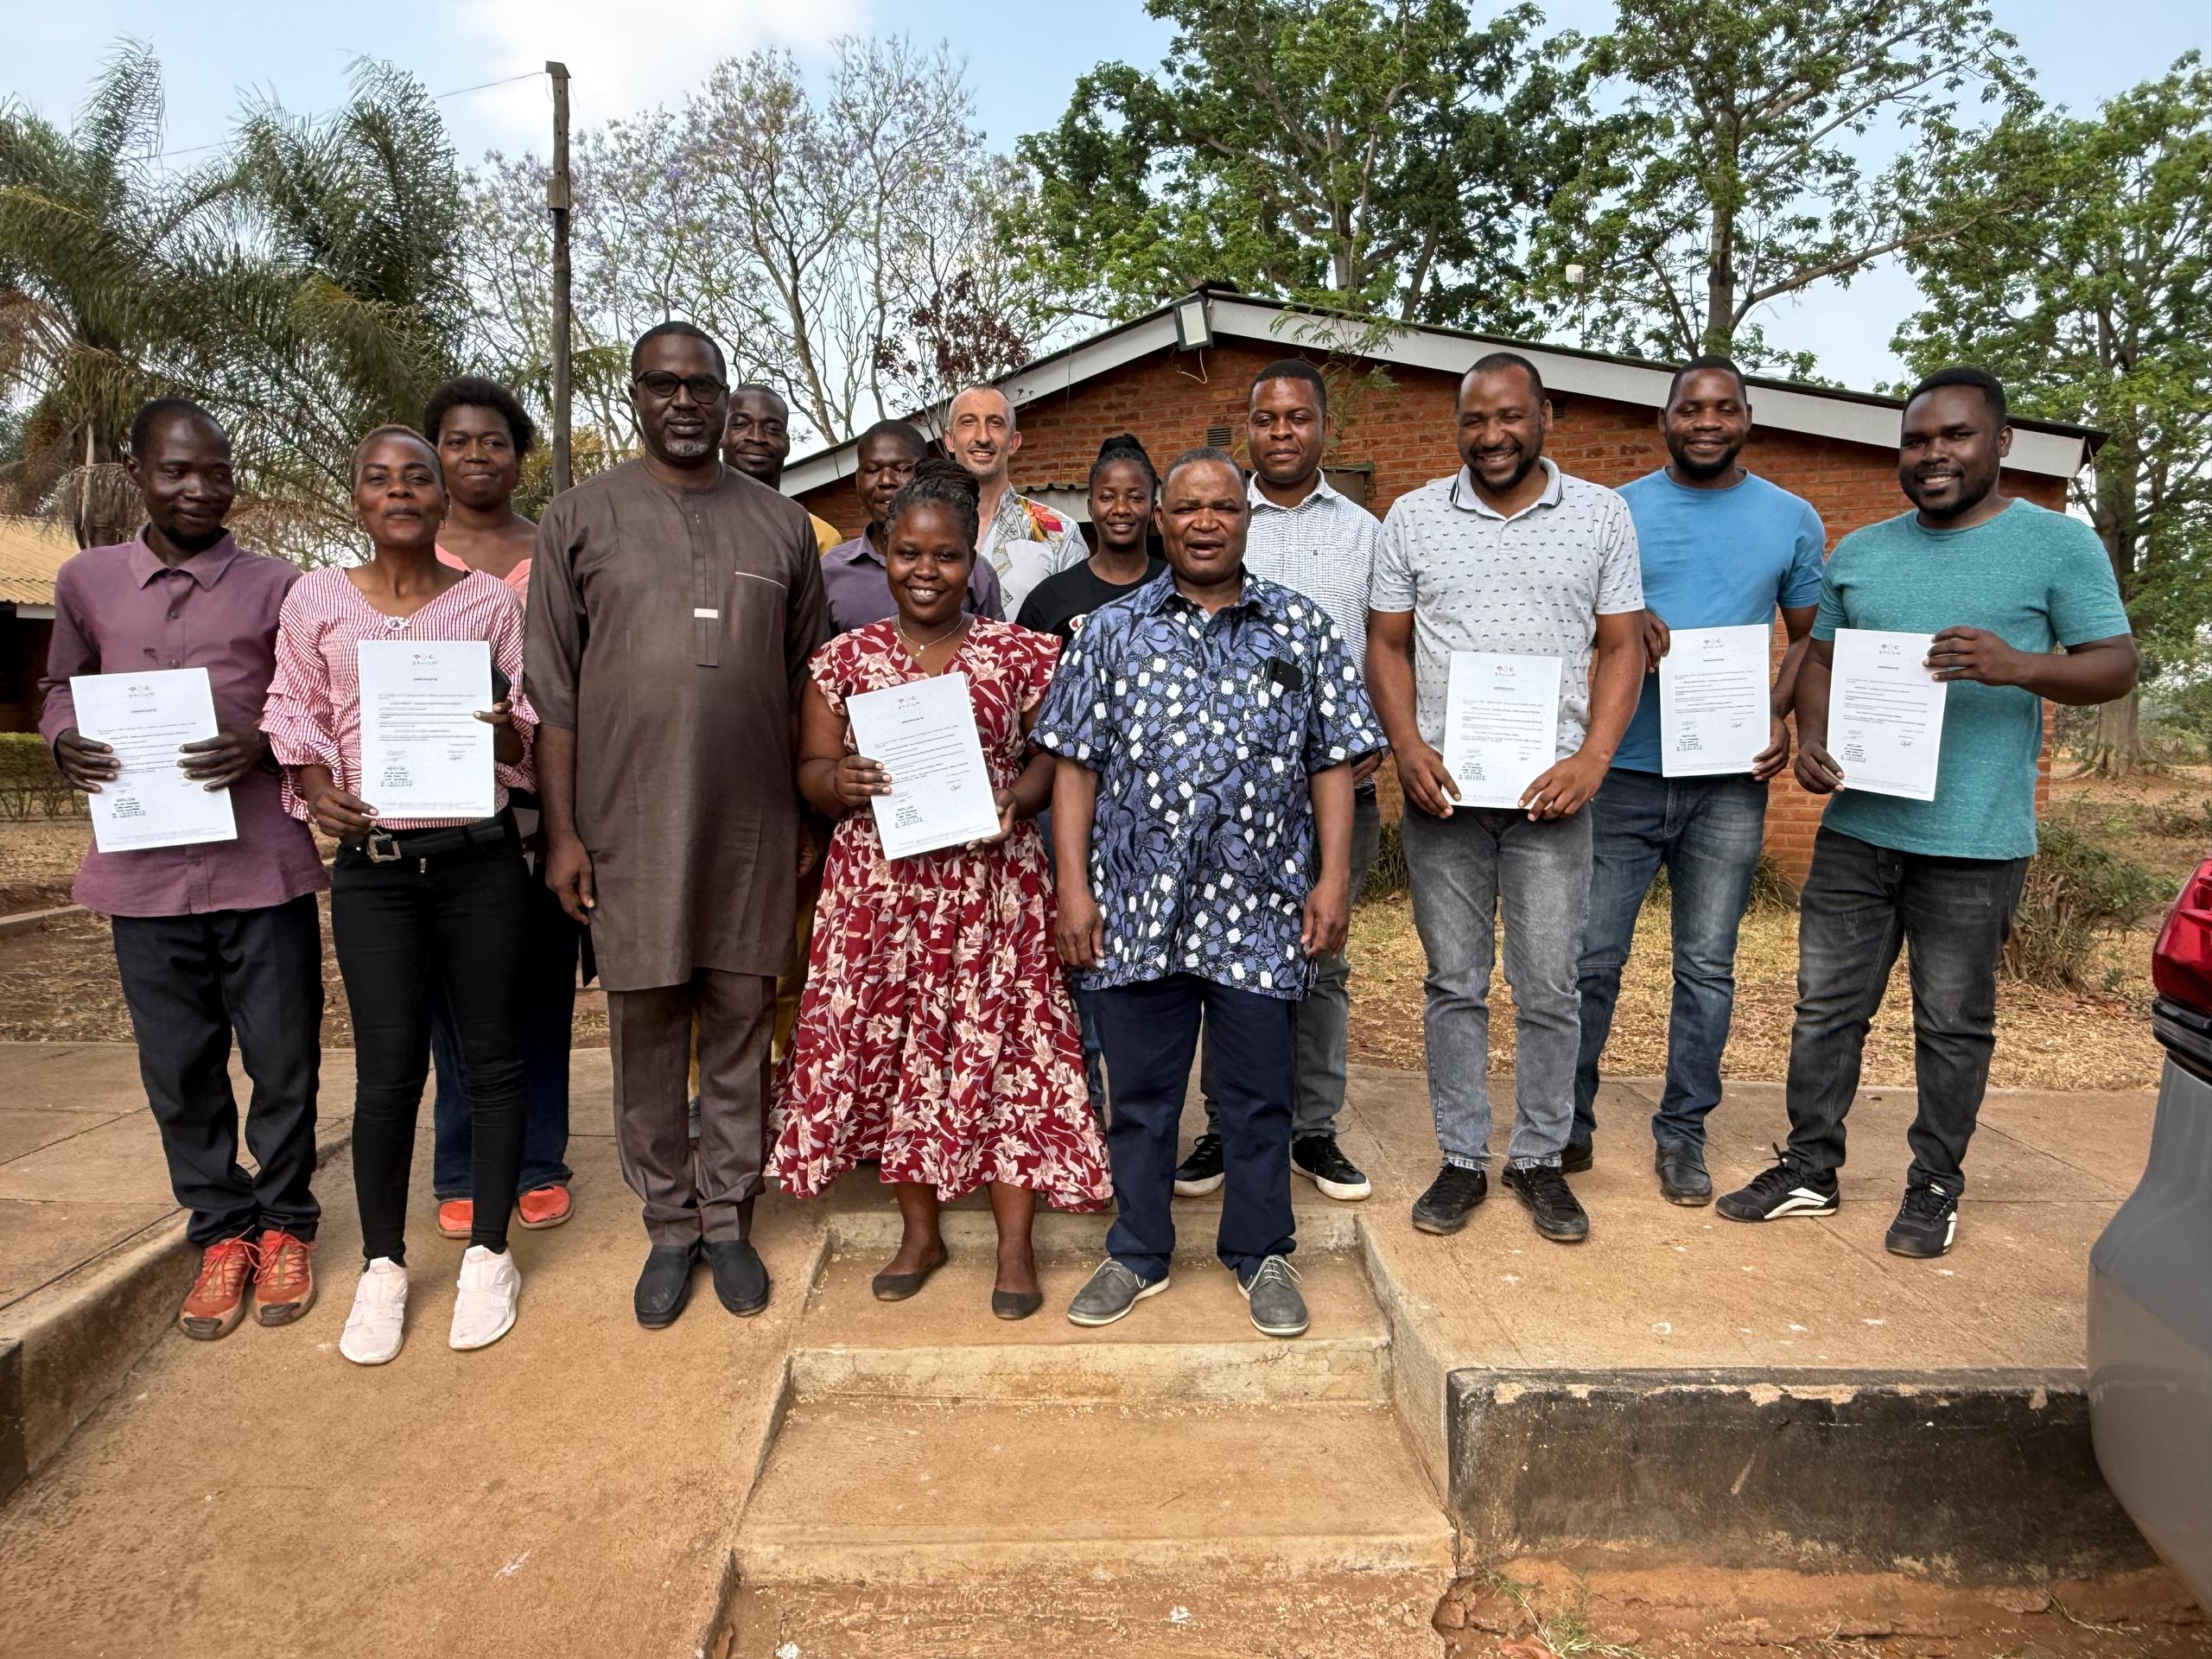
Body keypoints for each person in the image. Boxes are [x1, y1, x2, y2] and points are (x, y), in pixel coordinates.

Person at [1719, 366, 2136, 1257]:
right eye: (1917, 440)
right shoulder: (1862, 552)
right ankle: (1808, 1168)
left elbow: (2114, 664)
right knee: (1824, 1010)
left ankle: (1933, 1183)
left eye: (1955, 436)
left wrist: (2018, 665)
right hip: (1859, 829)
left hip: (1974, 839)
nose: (1933, 454)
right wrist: (1816, 739)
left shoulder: (2055, 547)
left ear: (2000, 444)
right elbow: (1821, 660)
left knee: (1951, 1023)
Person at [1038, 447, 1383, 1340]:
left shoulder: (1300, 629)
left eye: (1221, 508)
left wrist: (1332, 879)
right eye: (1186, 508)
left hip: (1261, 910)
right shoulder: (1108, 632)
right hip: (1136, 911)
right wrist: (1072, 888)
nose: (1203, 523)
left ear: (1245, 519)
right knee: (1144, 1099)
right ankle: (1137, 1252)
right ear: (1159, 517)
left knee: (1257, 1097)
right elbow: (1074, 767)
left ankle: (1261, 1252)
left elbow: (1333, 762)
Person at [530, 321, 830, 1328]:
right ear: (635, 396)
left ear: (724, 396)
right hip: (628, 824)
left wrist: (802, 818)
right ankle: (668, 1225)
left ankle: (730, 1218)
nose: (686, 403)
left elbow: (805, 683)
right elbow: (554, 694)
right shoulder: (578, 518)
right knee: (648, 1028)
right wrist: (565, 835)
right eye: (664, 386)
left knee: (742, 1022)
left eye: (702, 386)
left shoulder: (781, 528)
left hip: (752, 824)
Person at [772, 459, 1111, 1319]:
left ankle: (1014, 1250)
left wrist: (1018, 800)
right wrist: (835, 780)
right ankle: (918, 1235)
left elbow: (1058, 756)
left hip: (990, 894)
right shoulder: (841, 661)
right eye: (909, 553)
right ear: (884, 553)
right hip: (877, 900)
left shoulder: (1024, 654)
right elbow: (808, 768)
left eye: (947, 556)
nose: (926, 571)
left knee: (1009, 1066)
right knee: (893, 1064)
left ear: (973, 564)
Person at [41, 397, 327, 1343]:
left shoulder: (280, 585)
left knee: (283, 1060)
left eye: (216, 472)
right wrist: (63, 742)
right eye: (176, 472)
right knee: (179, 1066)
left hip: (262, 867)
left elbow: (309, 699)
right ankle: (219, 1230)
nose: (200, 489)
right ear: (137, 474)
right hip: (144, 874)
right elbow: (58, 687)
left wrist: (265, 741)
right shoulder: (87, 582)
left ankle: (285, 1224)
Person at [264, 425, 536, 1363]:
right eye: (379, 479)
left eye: (416, 476)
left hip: (478, 861)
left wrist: (502, 729)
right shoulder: (317, 599)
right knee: (386, 1074)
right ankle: (383, 1266)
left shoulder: (487, 606)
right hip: (376, 871)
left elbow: (524, 738)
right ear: (358, 500)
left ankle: (489, 1254)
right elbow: (291, 708)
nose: (400, 491)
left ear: (440, 496)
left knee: (495, 1065)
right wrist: (310, 785)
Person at [1367, 352, 1644, 1247]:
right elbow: (1387, 645)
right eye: (1474, 421)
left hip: (1551, 797)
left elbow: (1622, 646)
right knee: (1453, 982)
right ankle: (1459, 1157)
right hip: (1444, 797)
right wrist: (1406, 745)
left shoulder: (1601, 516)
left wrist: (1594, 757)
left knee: (1550, 986)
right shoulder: (1411, 518)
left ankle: (1535, 1159)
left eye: (1508, 417)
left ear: (1545, 418)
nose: (1490, 436)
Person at [1569, 356, 1827, 1206]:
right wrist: (1619, 621)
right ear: (1664, 422)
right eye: (1690, 409)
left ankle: (1682, 1135)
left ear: (1746, 417)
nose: (1705, 421)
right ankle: (1566, 1120)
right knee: (1593, 959)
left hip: (1727, 781)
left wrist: (1783, 718)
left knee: (1707, 968)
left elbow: (1806, 639)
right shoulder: (1614, 513)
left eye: (1723, 408)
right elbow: (1574, 617)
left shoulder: (1790, 519)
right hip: (1624, 773)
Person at [1180, 360, 1385, 1207]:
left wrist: (1374, 733)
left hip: (1339, 787)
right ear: (1249, 427)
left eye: (1297, 418)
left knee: (1322, 958)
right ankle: (1227, 1125)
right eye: (1266, 418)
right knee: (1221, 959)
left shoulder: (1367, 533)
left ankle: (1313, 1128)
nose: (1281, 432)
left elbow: (1390, 644)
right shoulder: (1219, 520)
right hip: (1230, 795)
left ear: (1322, 428)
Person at [420, 375, 582, 1240]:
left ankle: (538, 1160)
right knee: (458, 998)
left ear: (520, 456)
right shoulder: (405, 550)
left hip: (541, 799)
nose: (476, 455)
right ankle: (460, 1161)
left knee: (539, 991)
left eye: (494, 441)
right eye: (457, 440)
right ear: (431, 453)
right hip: (440, 810)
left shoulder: (551, 543)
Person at [823, 420, 1002, 634]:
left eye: (901, 469)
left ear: (923, 473)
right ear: (857, 478)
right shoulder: (829, 571)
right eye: (872, 469)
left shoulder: (973, 571)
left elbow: (996, 652)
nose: (886, 480)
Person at [944, 385, 1085, 615]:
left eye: (995, 423)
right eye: (968, 422)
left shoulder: (1060, 534)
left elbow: (1078, 634)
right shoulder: (920, 531)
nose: (982, 437)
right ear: (949, 440)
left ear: (1013, 441)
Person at [1015, 434, 1166, 643]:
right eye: (1107, 497)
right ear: (1090, 507)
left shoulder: (1177, 588)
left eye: (1135, 498)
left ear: (1152, 507)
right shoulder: (1048, 598)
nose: (1121, 508)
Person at [722, 382, 842, 554]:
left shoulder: (819, 537)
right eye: (741, 424)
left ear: (787, 445)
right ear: (720, 435)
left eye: (772, 429)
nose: (756, 437)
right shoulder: (688, 518)